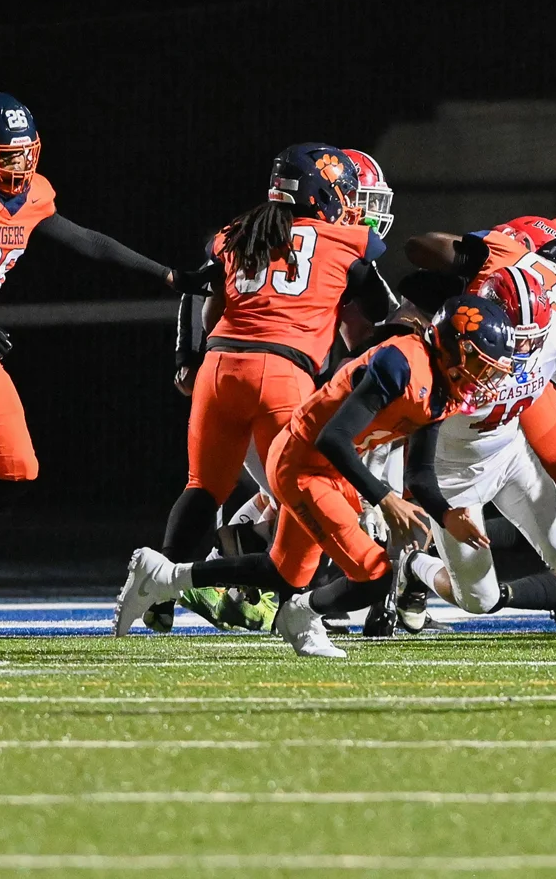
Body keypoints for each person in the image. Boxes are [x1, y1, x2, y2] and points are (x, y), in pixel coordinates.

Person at [0, 93, 210, 639]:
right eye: (3, 154)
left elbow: (88, 242)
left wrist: (169, 276)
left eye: (22, 153)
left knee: (18, 469)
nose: (16, 165)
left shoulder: (32, 196)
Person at [116, 296, 530, 656]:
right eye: (479, 363)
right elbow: (334, 438)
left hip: (328, 471)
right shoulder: (400, 363)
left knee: (284, 573)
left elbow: (420, 475)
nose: (486, 378)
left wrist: (446, 514)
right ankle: (300, 617)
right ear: (452, 347)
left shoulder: (441, 393)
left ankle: (165, 576)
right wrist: (384, 497)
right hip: (302, 461)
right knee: (374, 574)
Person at [151, 144, 394, 633]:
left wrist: (186, 359)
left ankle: (158, 588)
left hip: (218, 371)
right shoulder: (346, 242)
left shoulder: (238, 232)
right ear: (323, 193)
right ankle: (293, 603)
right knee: (304, 490)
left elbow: (203, 300)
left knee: (203, 486)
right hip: (283, 374)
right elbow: (383, 312)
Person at [397, 268, 556, 650]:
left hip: (511, 457)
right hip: (452, 475)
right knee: (477, 600)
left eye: (537, 338)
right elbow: (401, 423)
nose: (528, 350)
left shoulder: (550, 339)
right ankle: (414, 566)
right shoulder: (453, 353)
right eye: (520, 339)